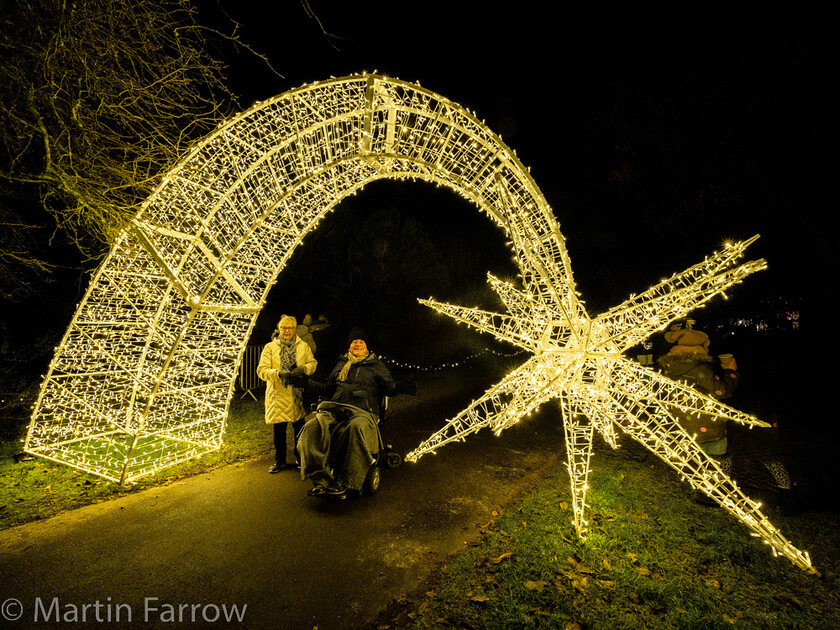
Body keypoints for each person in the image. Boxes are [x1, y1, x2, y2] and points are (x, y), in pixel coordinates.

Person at [295, 327, 413, 499]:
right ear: (349, 346)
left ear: (367, 347)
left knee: (355, 428)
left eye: (361, 342)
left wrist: (401, 386)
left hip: (363, 411)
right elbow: (328, 388)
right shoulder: (341, 364)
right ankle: (321, 479)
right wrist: (307, 382)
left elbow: (389, 388)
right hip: (335, 407)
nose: (357, 344)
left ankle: (348, 482)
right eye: (354, 342)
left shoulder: (376, 365)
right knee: (311, 428)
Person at [657, 325, 738, 499]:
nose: (707, 349)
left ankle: (698, 488)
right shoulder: (700, 368)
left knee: (695, 457)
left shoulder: (671, 366)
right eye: (705, 346)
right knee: (717, 457)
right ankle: (716, 494)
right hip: (707, 422)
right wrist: (730, 371)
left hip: (684, 422)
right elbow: (722, 391)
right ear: (697, 348)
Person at [256, 315, 317, 474]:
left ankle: (300, 458)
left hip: (297, 395)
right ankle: (280, 460)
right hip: (278, 396)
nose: (286, 331)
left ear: (295, 329)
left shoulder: (303, 346)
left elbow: (313, 364)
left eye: (290, 327)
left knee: (300, 431)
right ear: (278, 329)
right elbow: (261, 370)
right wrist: (279, 374)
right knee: (279, 432)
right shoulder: (270, 347)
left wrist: (304, 369)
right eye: (283, 327)